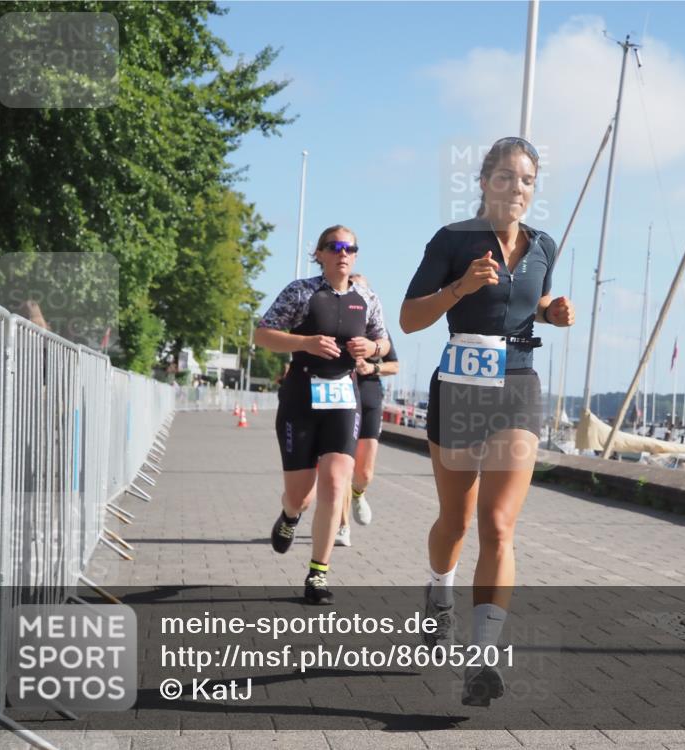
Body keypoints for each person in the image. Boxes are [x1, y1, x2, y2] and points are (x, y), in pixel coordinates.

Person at [400, 136, 575, 706]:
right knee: (455, 521)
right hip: (459, 388)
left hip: (517, 386)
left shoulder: (543, 245)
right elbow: (409, 319)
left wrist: (552, 311)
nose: (516, 189)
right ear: (483, 182)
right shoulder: (452, 240)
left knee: (498, 525)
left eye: (527, 181)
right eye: (505, 177)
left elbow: (532, 302)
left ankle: (481, 658)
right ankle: (439, 591)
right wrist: (461, 287)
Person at [254, 225, 389, 605]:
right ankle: (289, 515)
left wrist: (372, 348)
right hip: (301, 396)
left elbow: (384, 341)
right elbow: (262, 334)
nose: (343, 253)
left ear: (356, 255)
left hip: (344, 397)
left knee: (334, 482)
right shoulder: (301, 291)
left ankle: (318, 573)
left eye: (350, 248)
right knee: (301, 496)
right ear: (320, 254)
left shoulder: (367, 297)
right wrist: (306, 343)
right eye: (335, 246)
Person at [332, 273, 400, 547]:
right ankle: (342, 526)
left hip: (370, 395)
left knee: (364, 473)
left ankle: (359, 494)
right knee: (345, 466)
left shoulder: (377, 330)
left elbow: (394, 365)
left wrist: (371, 367)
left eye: (362, 290)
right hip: (342, 397)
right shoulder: (335, 324)